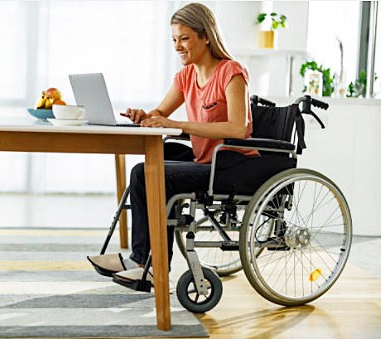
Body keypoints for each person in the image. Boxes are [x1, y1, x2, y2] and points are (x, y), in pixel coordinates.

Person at [87, 2, 258, 284]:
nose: (178, 46)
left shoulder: (232, 72)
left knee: (153, 173)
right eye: (174, 40)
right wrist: (145, 115)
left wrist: (176, 125)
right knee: (144, 170)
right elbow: (161, 113)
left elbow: (238, 128)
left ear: (206, 36)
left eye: (185, 38)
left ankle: (152, 266)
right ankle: (142, 259)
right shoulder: (187, 75)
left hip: (232, 166)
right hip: (205, 162)